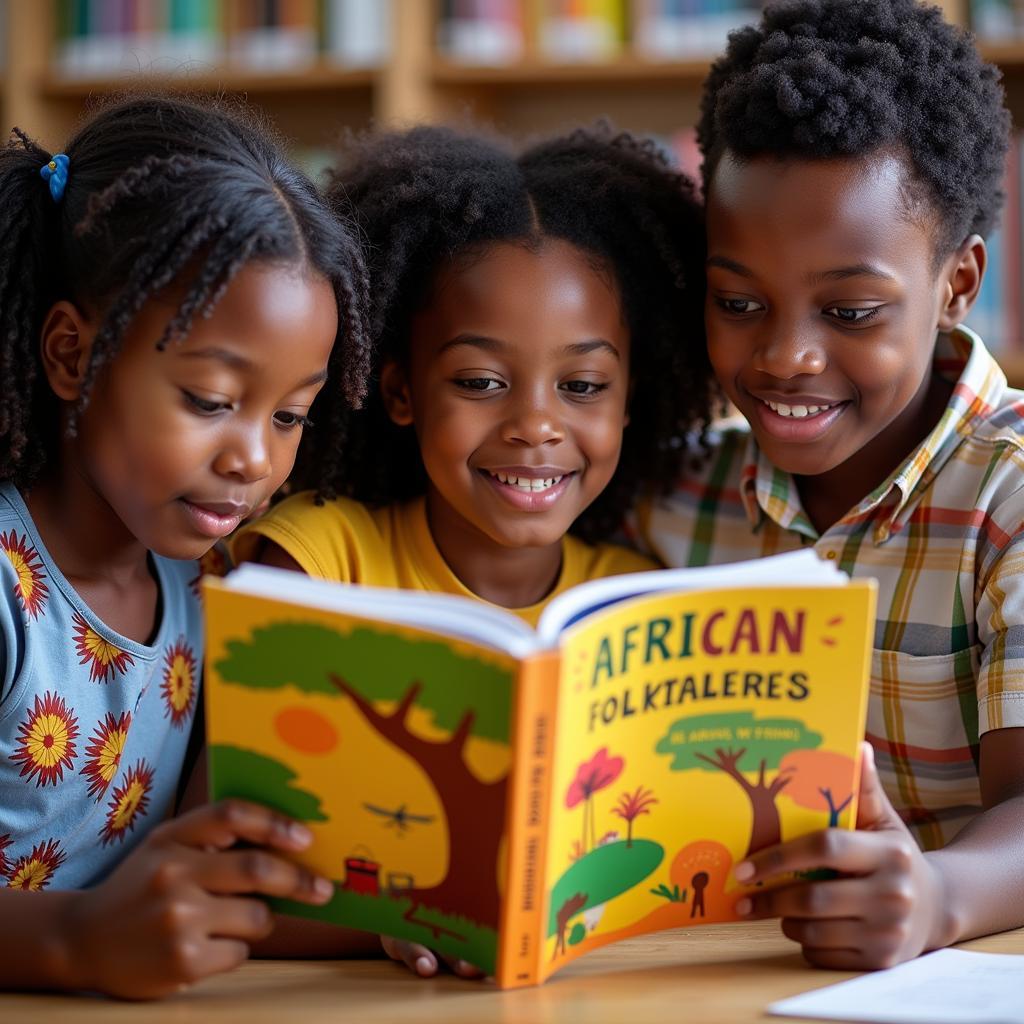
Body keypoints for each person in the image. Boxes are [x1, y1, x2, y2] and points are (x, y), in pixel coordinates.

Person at [232, 122, 714, 972]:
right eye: (481, 382)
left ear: (631, 399)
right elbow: (223, 873)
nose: (535, 425)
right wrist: (387, 924)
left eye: (584, 386)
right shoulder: (312, 565)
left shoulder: (640, 606)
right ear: (401, 391)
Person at [637, 0, 1024, 970]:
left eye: (849, 309)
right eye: (737, 301)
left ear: (956, 281)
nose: (785, 355)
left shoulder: (1007, 495)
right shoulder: (679, 489)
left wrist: (939, 895)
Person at [0, 94, 373, 998]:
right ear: (69, 355)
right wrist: (77, 939)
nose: (254, 457)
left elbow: (195, 896)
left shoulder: (207, 577)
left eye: (291, 415)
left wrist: (396, 927)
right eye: (211, 399)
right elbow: (112, 921)